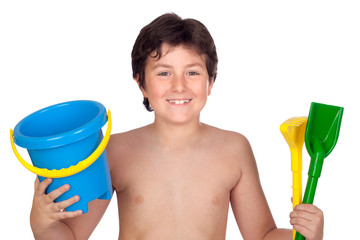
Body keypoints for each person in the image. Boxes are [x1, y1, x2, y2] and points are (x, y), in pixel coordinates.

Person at [30, 13, 324, 240]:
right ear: (141, 84)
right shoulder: (114, 150)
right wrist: (41, 222)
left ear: (211, 82)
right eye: (164, 73)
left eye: (193, 72)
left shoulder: (234, 149)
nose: (179, 86)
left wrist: (309, 235)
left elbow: (263, 236)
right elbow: (71, 236)